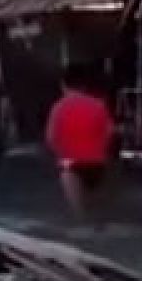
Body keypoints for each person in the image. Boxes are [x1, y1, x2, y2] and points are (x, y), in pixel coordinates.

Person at [46, 63, 115, 215]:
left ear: (63, 85)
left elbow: (51, 138)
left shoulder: (58, 107)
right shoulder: (99, 105)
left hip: (70, 165)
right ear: (84, 86)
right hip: (97, 163)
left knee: (79, 214)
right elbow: (109, 133)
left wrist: (62, 154)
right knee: (97, 208)